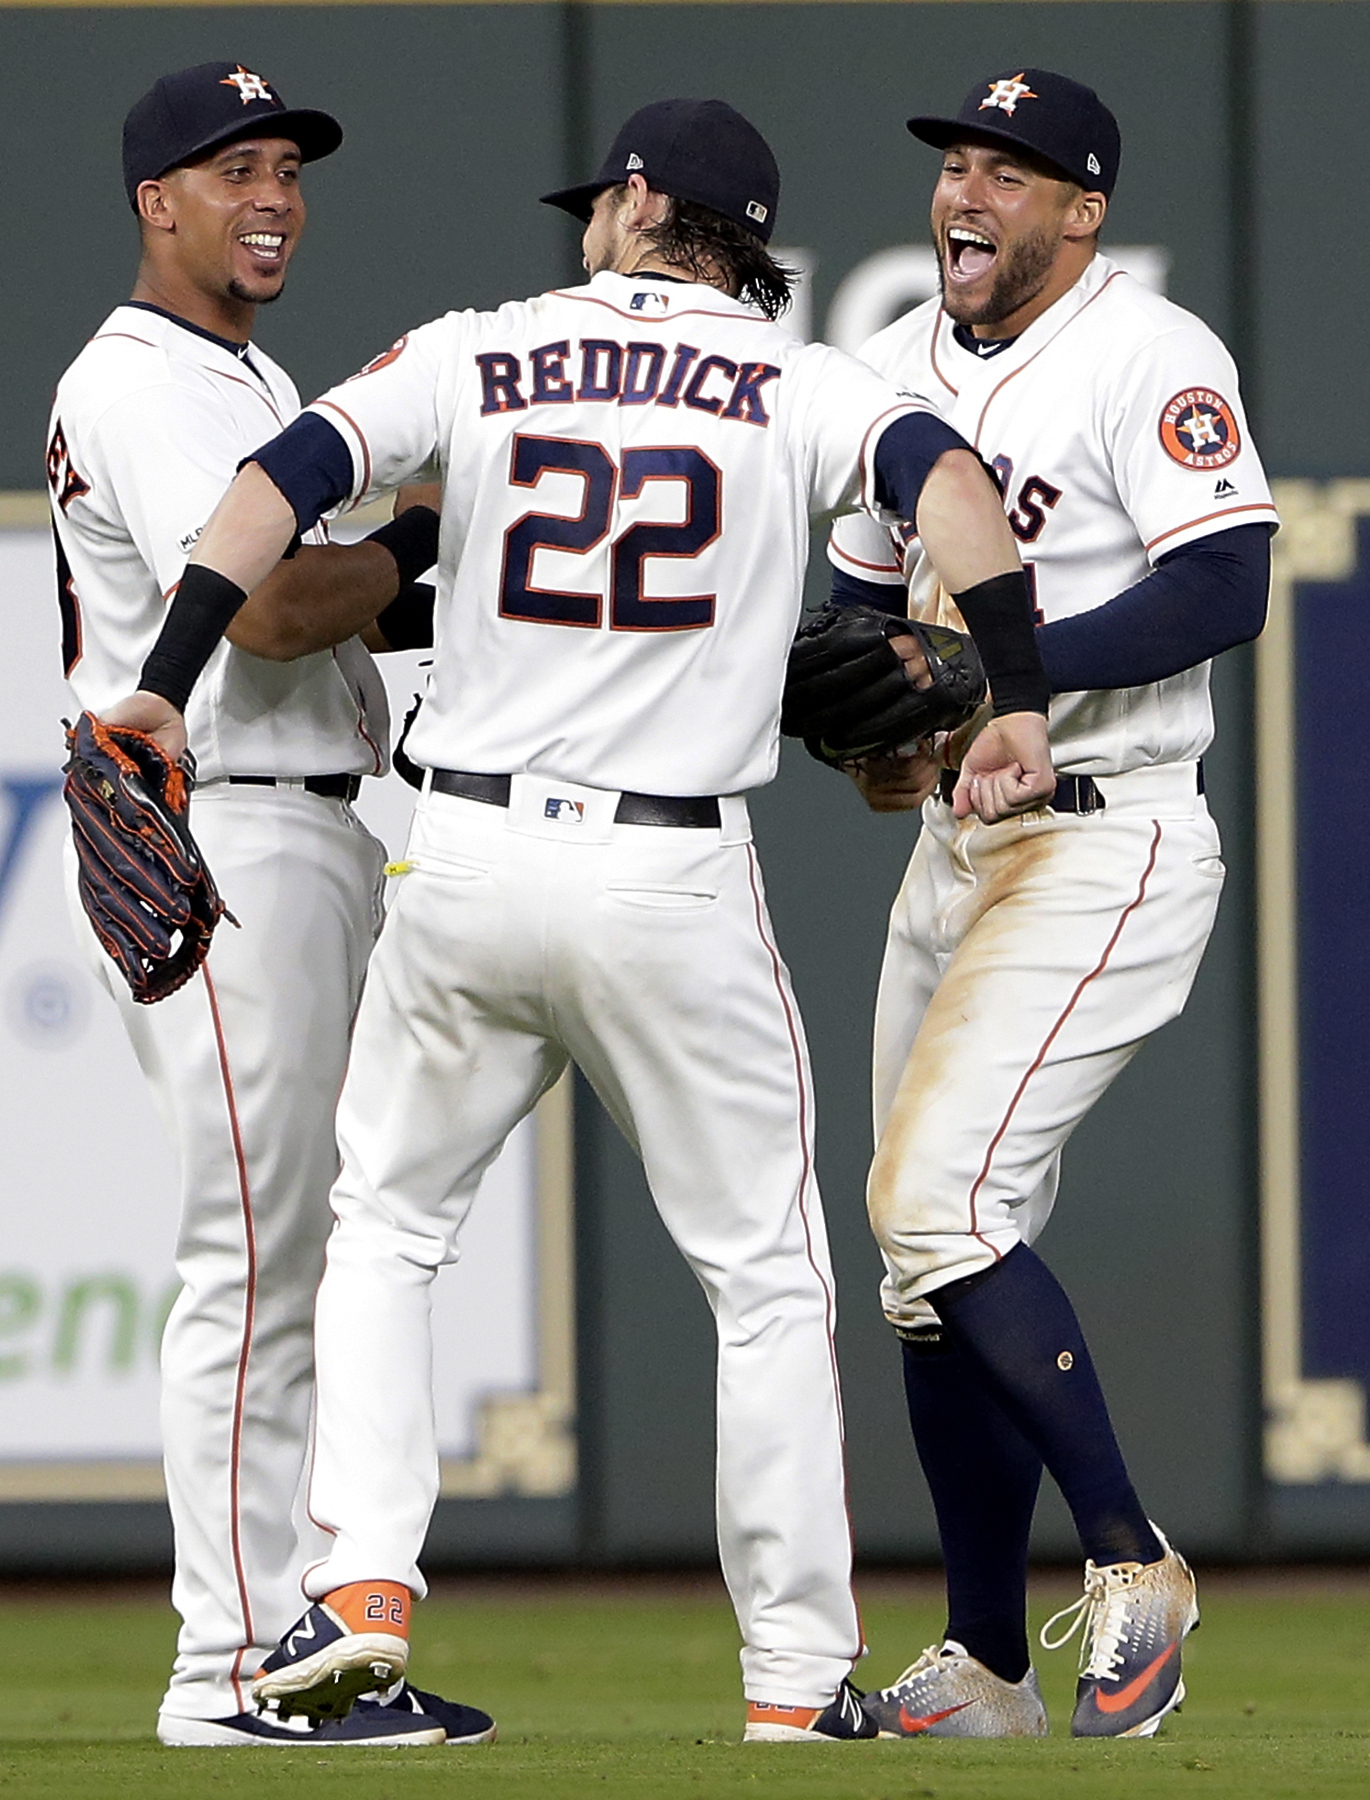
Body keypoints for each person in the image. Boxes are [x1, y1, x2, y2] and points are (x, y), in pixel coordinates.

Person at [98, 96, 1056, 1743]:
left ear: (632, 202)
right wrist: (1021, 697)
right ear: (741, 237)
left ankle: (363, 1581)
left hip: (461, 864)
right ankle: (786, 1679)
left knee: (385, 1231)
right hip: (667, 874)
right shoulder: (805, 376)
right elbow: (950, 486)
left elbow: (278, 483)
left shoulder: (485, 345)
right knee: (758, 1278)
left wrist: (162, 682)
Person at [822, 69, 1277, 1739]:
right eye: (952, 160)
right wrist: (887, 723)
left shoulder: (1147, 350)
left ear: (1079, 211)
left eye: (1007, 172)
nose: (965, 191)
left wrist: (1003, 667)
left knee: (935, 1201)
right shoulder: (889, 375)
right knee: (911, 1256)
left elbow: (1223, 581)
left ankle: (1130, 1560)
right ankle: (986, 1665)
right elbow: (875, 620)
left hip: (1110, 834)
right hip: (956, 838)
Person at [48, 60, 491, 1748]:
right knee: (251, 1262)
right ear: (155, 200)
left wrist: (411, 562)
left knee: (299, 1254)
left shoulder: (241, 375)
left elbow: (337, 606)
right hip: (228, 836)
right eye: (234, 167)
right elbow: (272, 612)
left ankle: (294, 1647)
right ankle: (226, 1673)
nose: (275, 194)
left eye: (288, 168)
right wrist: (419, 537)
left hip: (296, 829)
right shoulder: (148, 377)